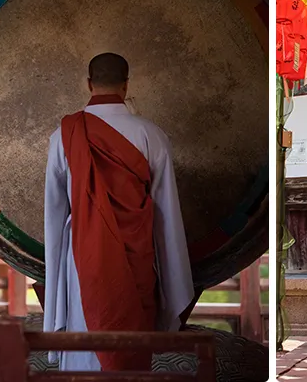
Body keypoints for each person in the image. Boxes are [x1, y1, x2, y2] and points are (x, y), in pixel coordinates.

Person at [43, 53, 194, 373]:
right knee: (130, 346)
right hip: (136, 254)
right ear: (126, 85)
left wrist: (56, 285)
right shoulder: (150, 135)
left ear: (89, 84)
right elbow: (167, 215)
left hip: (83, 257)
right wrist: (174, 283)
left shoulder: (64, 136)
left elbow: (54, 214)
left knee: (84, 337)